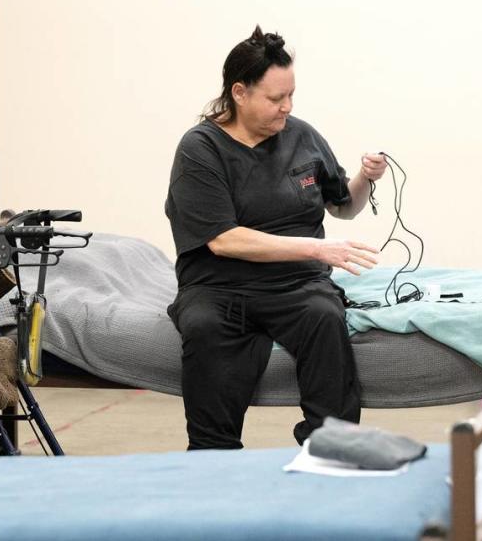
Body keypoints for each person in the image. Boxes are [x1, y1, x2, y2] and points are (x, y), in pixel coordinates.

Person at [164, 25, 387, 450]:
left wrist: (365, 178)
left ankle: (330, 446)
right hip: (218, 285)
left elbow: (343, 207)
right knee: (205, 329)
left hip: (295, 284)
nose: (286, 107)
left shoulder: (301, 135)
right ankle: (213, 454)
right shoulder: (200, 149)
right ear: (240, 92)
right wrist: (319, 249)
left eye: (291, 96)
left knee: (324, 316)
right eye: (274, 98)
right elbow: (223, 240)